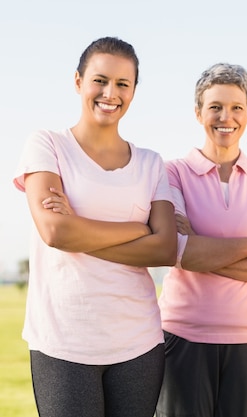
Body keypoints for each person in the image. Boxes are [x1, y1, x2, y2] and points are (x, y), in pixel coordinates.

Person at [13, 36, 177, 417]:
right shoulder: (47, 145)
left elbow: (166, 249)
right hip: (64, 342)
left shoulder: (151, 163)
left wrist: (79, 228)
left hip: (138, 342)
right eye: (100, 80)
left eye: (123, 84)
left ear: (134, 91)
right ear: (78, 82)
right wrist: (138, 229)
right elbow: (55, 232)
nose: (110, 93)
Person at [155, 63, 247, 417]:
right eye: (215, 107)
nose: (226, 117)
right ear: (198, 113)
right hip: (184, 337)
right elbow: (182, 252)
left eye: (237, 107)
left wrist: (203, 245)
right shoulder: (172, 172)